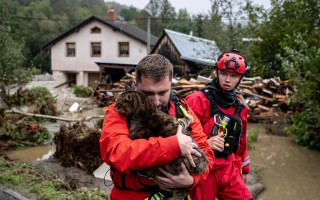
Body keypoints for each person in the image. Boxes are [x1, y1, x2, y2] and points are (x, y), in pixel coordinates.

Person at [99, 54, 214, 200]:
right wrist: (174, 145)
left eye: (162, 93)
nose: (156, 101)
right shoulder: (120, 111)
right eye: (148, 93)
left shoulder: (182, 110)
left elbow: (207, 155)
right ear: (136, 84)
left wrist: (191, 181)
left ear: (170, 85)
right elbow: (117, 153)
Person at [185, 50, 253, 199]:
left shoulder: (241, 107)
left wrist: (244, 170)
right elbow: (180, 137)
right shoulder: (197, 100)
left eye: (234, 76)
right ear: (216, 72)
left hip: (228, 168)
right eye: (223, 73)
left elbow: (241, 142)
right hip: (203, 169)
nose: (227, 79)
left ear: (241, 78)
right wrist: (205, 144)